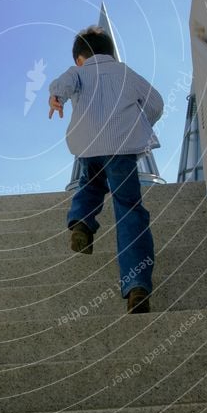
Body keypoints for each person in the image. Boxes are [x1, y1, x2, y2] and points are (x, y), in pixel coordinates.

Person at [48, 25, 164, 313]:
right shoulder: (125, 72)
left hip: (89, 147)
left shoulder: (78, 72)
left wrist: (57, 99)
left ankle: (82, 223)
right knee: (129, 210)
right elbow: (156, 104)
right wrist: (138, 122)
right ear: (110, 53)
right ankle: (136, 283)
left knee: (91, 182)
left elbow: (62, 83)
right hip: (122, 149)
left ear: (79, 58)